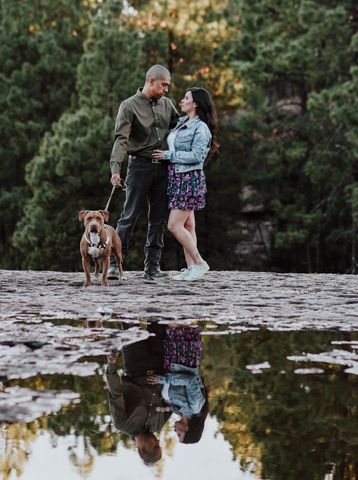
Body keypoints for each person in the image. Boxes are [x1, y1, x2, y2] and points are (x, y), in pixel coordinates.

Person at [108, 65, 180, 280]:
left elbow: (181, 128)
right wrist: (115, 169)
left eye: (167, 85)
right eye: (163, 85)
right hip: (139, 167)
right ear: (151, 81)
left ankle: (152, 267)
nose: (166, 89)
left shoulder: (167, 105)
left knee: (158, 219)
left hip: (164, 168)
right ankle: (113, 264)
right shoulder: (129, 106)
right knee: (129, 216)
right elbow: (121, 140)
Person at [152, 87, 219, 282]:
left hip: (189, 179)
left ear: (195, 103)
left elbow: (197, 157)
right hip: (177, 177)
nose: (181, 101)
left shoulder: (201, 128)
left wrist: (168, 155)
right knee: (188, 225)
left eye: (186, 98)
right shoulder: (182, 123)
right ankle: (191, 268)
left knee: (174, 225)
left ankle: (199, 263)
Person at [105, 322, 172, 464]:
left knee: (129, 321)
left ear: (142, 449)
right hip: (160, 362)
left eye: (155, 445)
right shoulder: (159, 424)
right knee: (159, 319)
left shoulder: (122, 424)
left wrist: (111, 367)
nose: (157, 440)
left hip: (136, 364)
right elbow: (172, 399)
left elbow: (116, 393)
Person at [147, 325, 209, 444]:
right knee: (178, 318)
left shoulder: (177, 410)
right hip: (184, 355)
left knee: (170, 319)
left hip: (172, 358)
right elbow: (190, 381)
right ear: (188, 429)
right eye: (179, 434)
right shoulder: (195, 407)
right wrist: (163, 380)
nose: (175, 431)